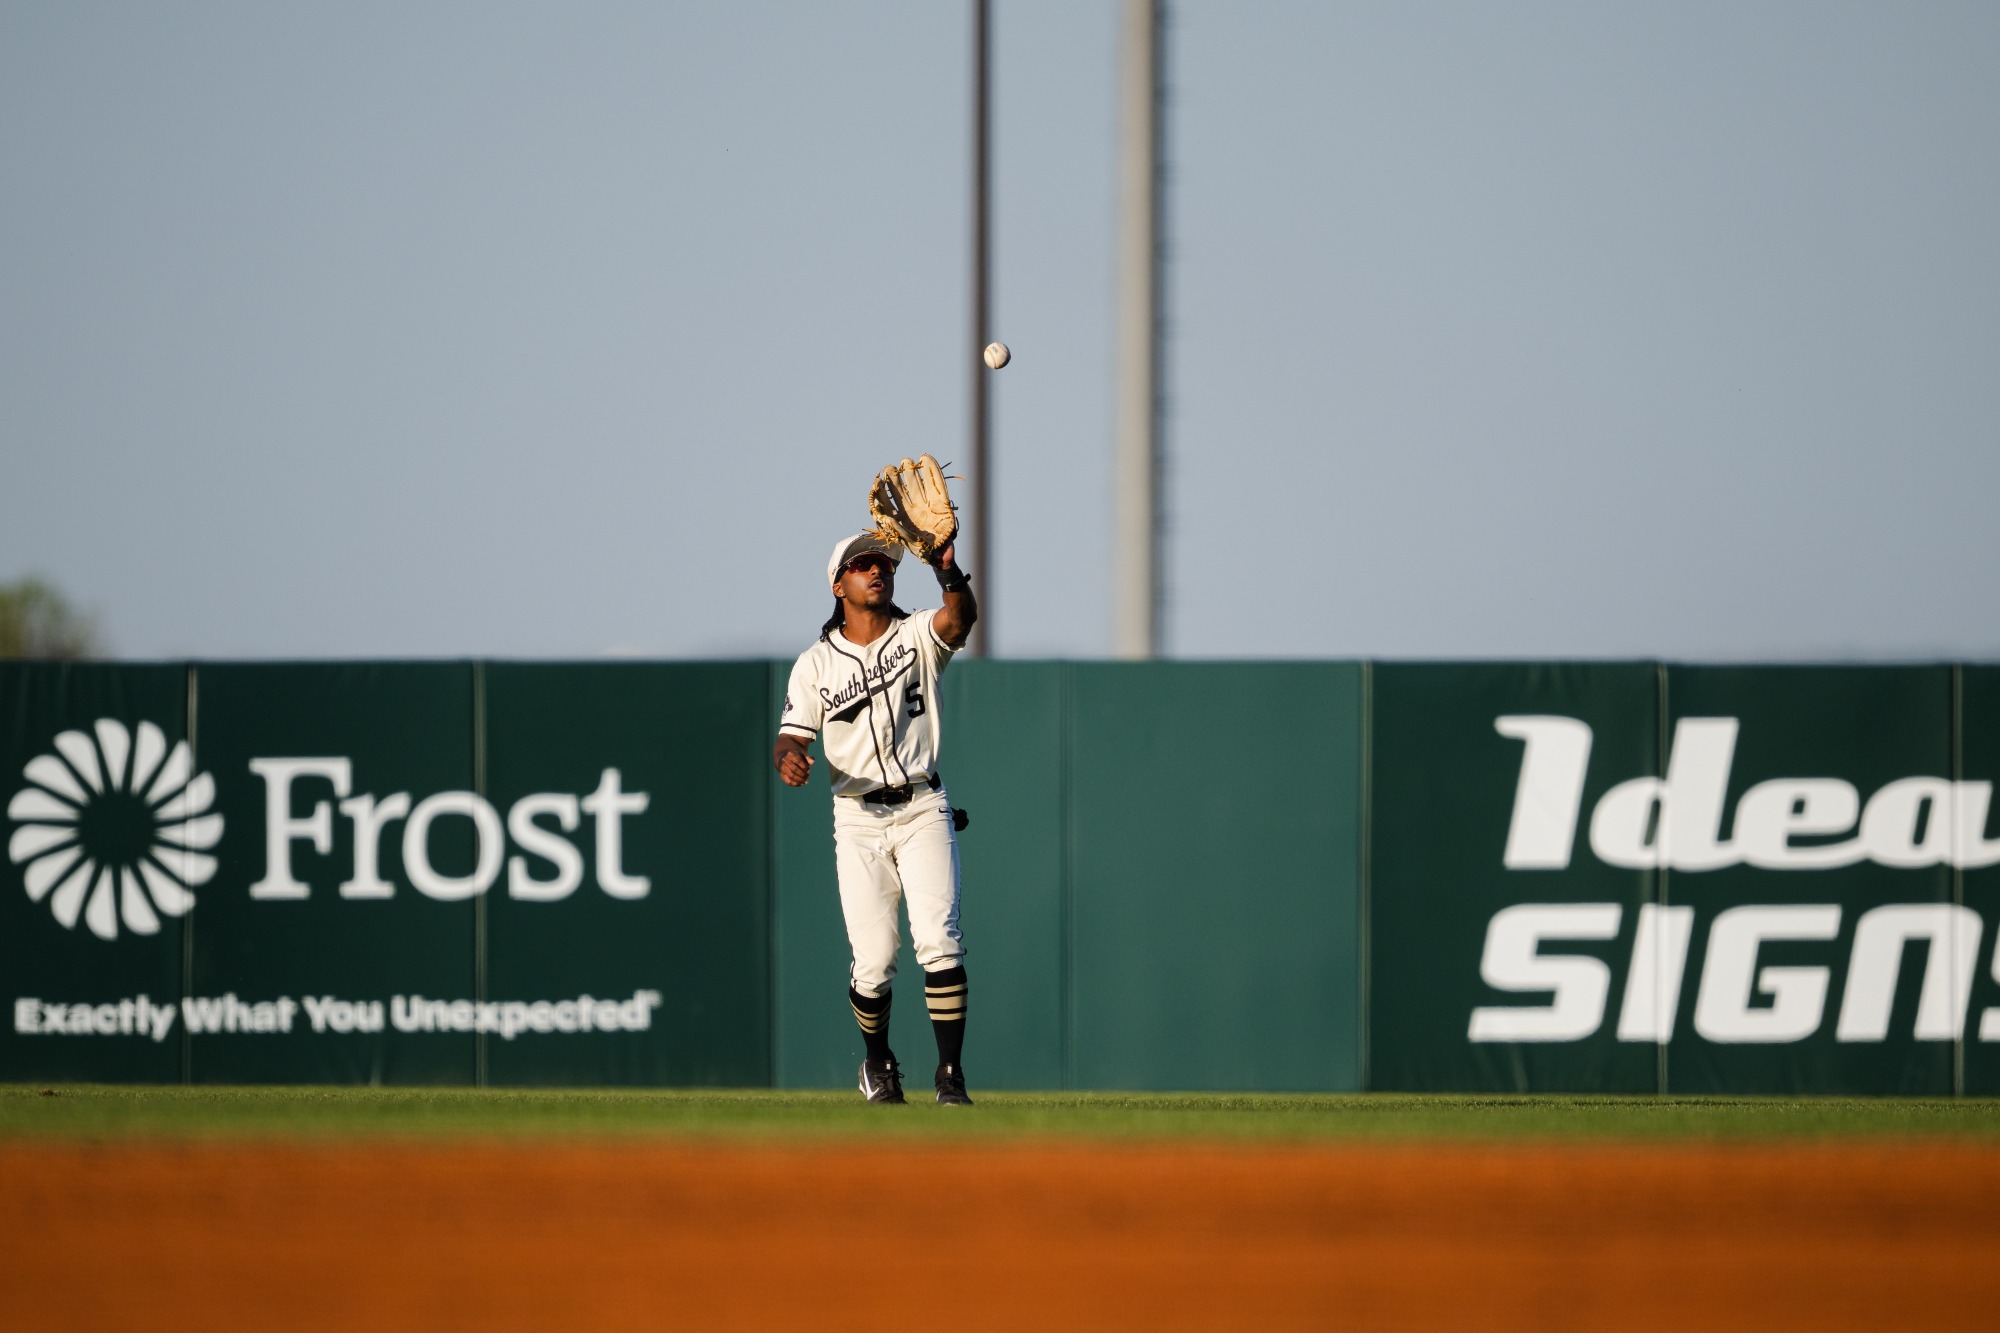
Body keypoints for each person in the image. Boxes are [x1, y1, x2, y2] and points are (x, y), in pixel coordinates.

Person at [774, 531, 979, 1105]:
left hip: (922, 807)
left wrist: (947, 569)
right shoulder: (815, 663)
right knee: (873, 964)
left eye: (883, 563)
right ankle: (877, 1062)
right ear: (838, 585)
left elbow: (960, 620)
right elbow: (789, 735)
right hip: (857, 818)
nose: (876, 570)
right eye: (861, 564)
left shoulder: (917, 634)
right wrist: (789, 758)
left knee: (940, 942)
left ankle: (950, 1077)